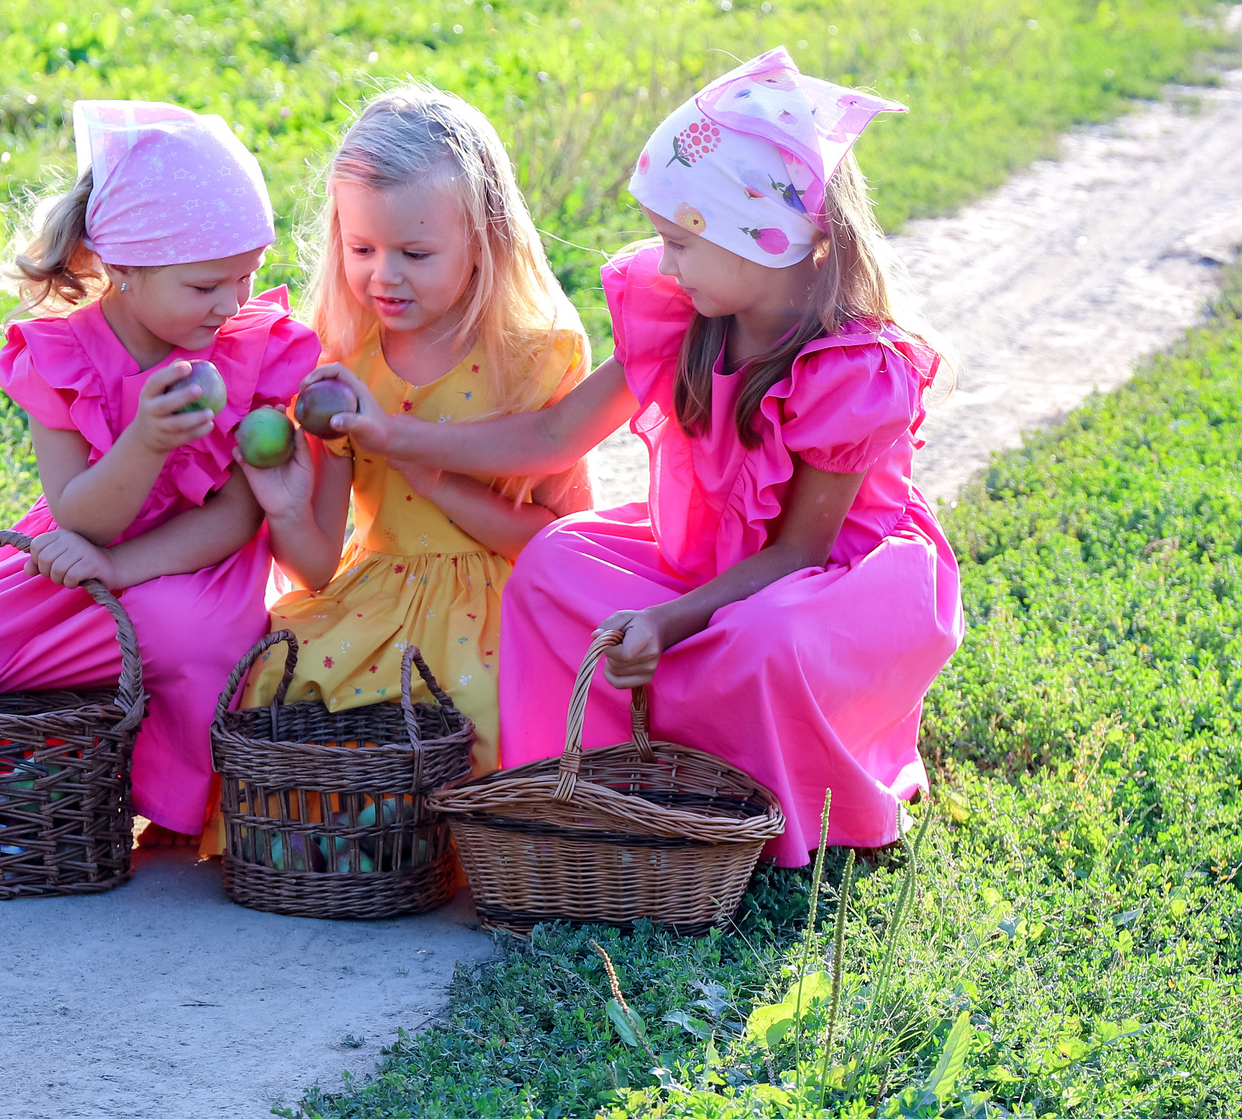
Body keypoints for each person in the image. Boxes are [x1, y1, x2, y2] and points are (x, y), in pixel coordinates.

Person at [309, 48, 958, 864]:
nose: (666, 262)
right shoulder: (690, 314)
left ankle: (767, 826)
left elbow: (800, 553)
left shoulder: (852, 371)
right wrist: (395, 435)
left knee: (764, 638)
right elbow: (553, 437)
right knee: (553, 562)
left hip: (830, 585)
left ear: (766, 240)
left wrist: (666, 618)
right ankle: (582, 794)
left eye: (682, 242)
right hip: (716, 560)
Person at [0, 101, 318, 848]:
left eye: (248, 276)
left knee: (185, 634)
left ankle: (168, 805)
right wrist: (145, 444)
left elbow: (235, 515)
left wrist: (123, 568)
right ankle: (26, 778)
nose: (232, 303)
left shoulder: (244, 351)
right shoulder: (61, 356)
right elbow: (78, 516)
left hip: (195, 565)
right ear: (122, 267)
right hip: (83, 548)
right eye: (206, 286)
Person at [249, 85, 591, 773]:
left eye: (415, 252)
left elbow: (562, 542)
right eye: (362, 247)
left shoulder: (532, 359)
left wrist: (432, 478)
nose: (385, 276)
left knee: (481, 707)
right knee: (278, 681)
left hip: (499, 609)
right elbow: (316, 567)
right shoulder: (343, 363)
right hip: (373, 601)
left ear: (482, 240)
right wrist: (285, 508)